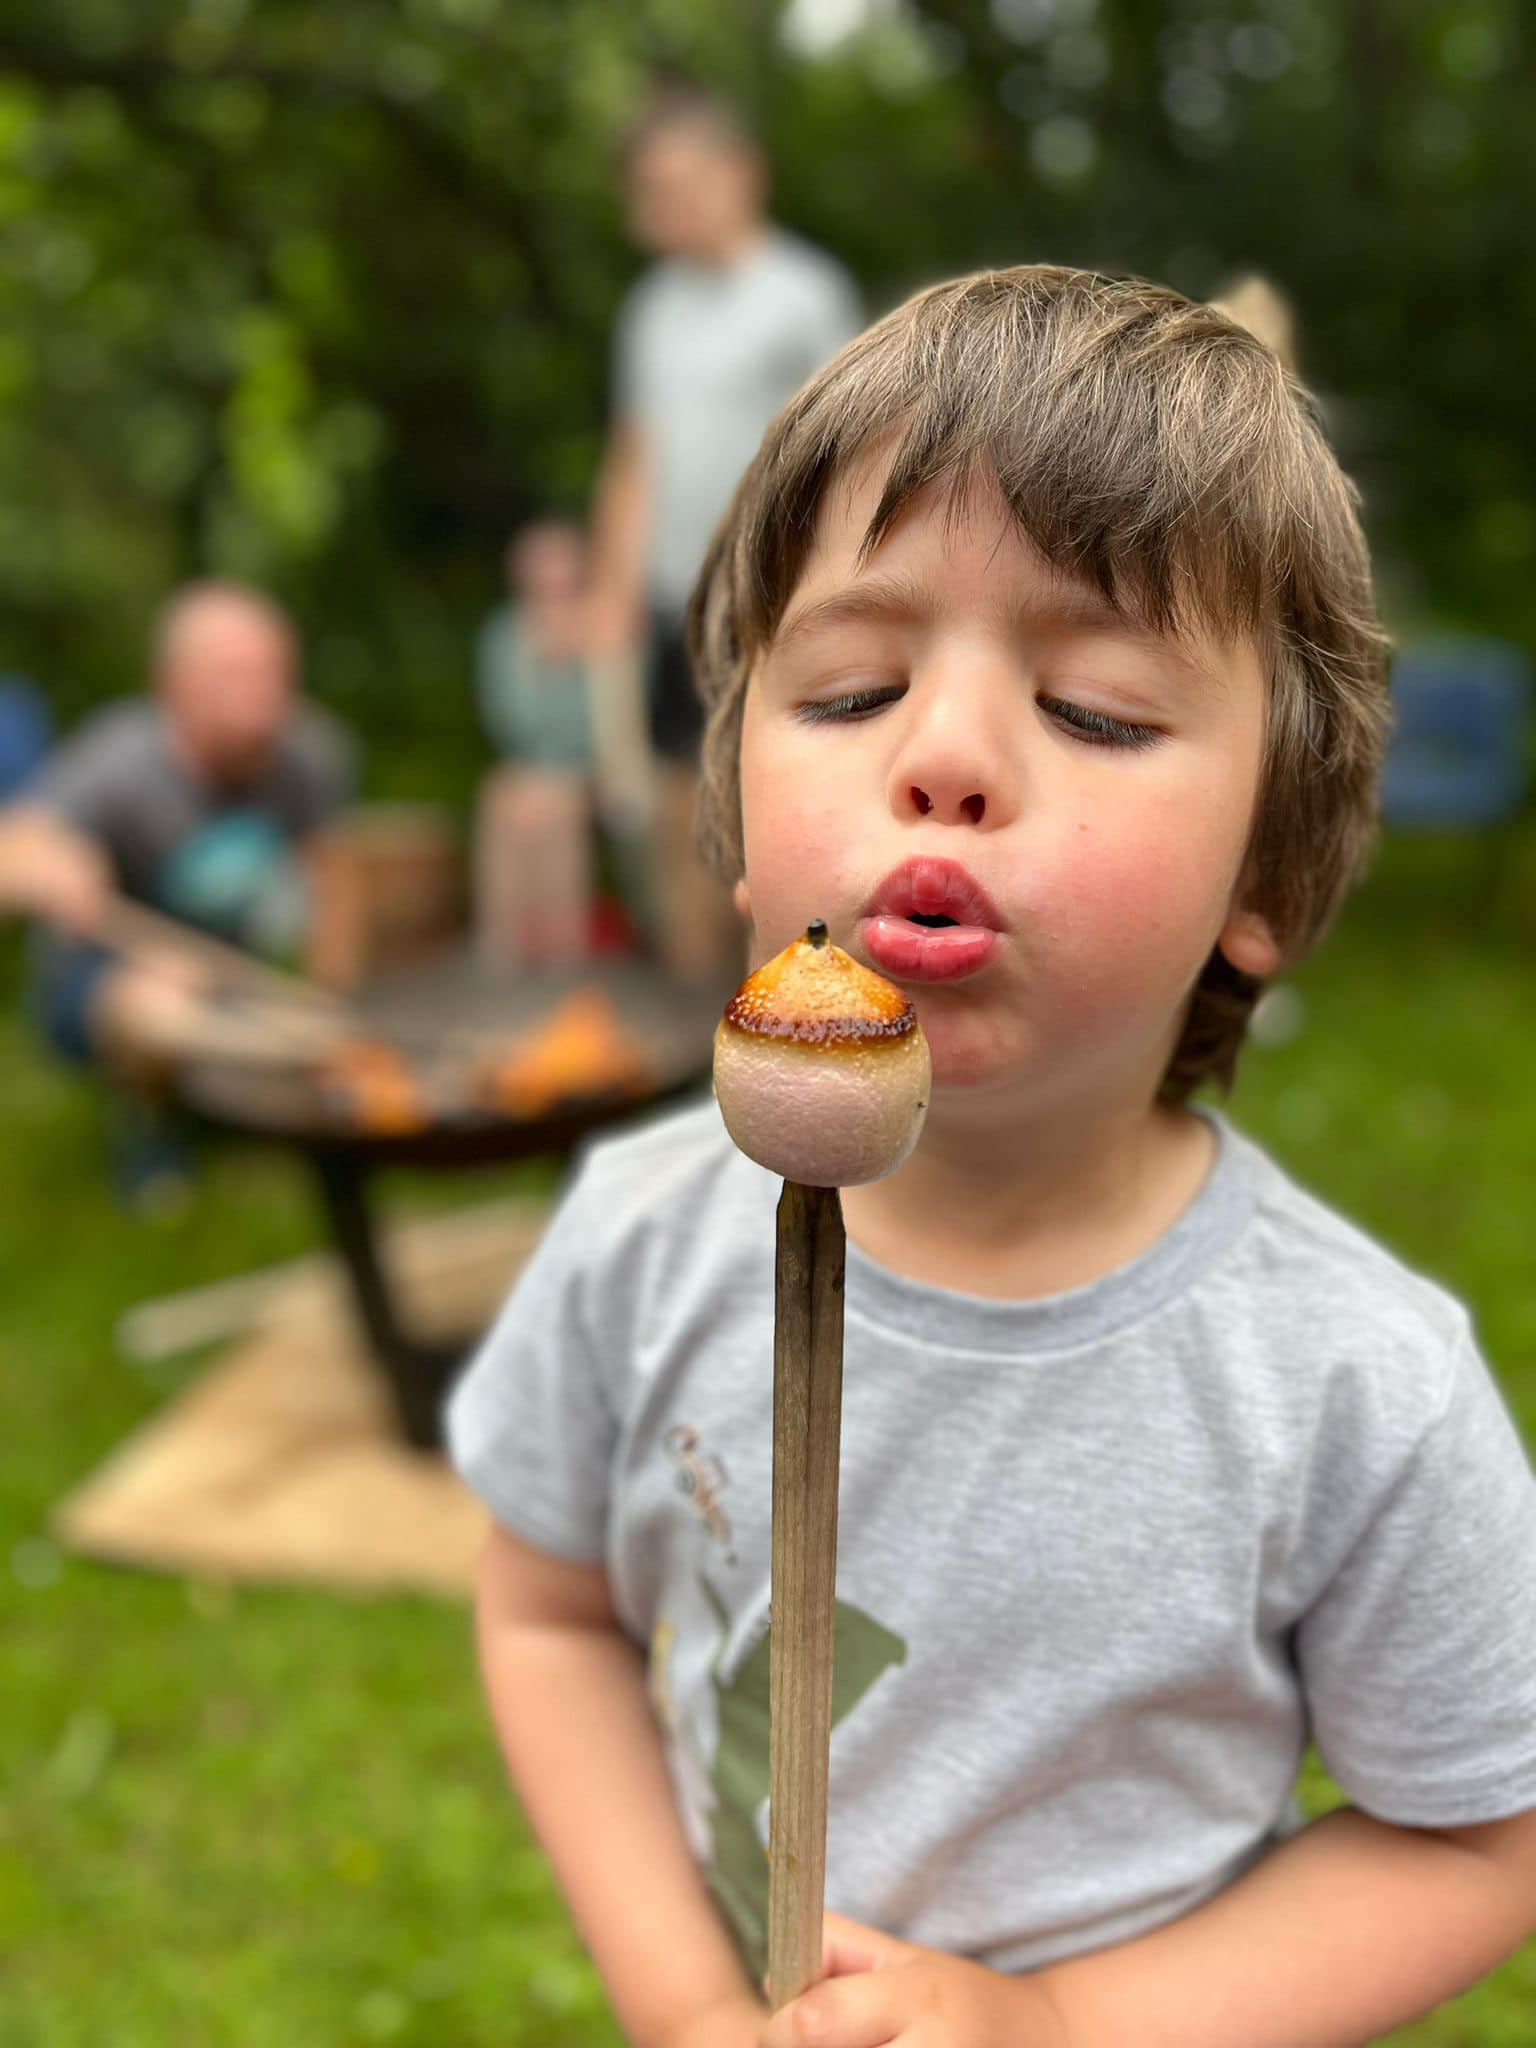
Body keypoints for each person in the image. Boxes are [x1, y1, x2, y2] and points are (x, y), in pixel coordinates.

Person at [448, 268, 1536, 2048]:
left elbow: (1480, 1834)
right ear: (731, 819)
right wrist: (680, 2000)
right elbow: (548, 1608)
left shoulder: (1355, 1389)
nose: (944, 757)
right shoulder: (641, 1232)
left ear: (1264, 878)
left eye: (1097, 709)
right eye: (856, 685)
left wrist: (1057, 2023)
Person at [587, 84, 862, 983]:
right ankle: (691, 1014)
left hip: (769, 595)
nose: (656, 206)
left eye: (674, 183)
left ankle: (787, 1011)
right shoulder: (651, 309)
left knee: (770, 805)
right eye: (646, 189)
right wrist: (611, 591)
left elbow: (848, 455)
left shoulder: (804, 293)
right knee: (675, 802)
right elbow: (635, 459)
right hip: (674, 597)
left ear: (739, 172)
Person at [0, 582, 354, 1195]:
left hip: (233, 974)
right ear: (173, 686)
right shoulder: (120, 759)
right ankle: (151, 1132)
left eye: (273, 675)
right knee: (157, 1002)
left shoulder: (310, 753)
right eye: (234, 678)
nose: (261, 701)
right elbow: (17, 850)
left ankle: (258, 1104)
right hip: (105, 981)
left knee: (319, 1020)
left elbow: (336, 875)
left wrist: (334, 997)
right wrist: (51, 862)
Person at [473, 520, 652, 966]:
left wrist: (587, 663)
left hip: (601, 771)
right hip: (533, 772)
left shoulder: (605, 628)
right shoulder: (504, 636)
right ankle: (504, 944)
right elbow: (510, 727)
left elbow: (616, 728)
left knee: (552, 802)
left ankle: (563, 946)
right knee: (502, 797)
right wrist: (544, 669)